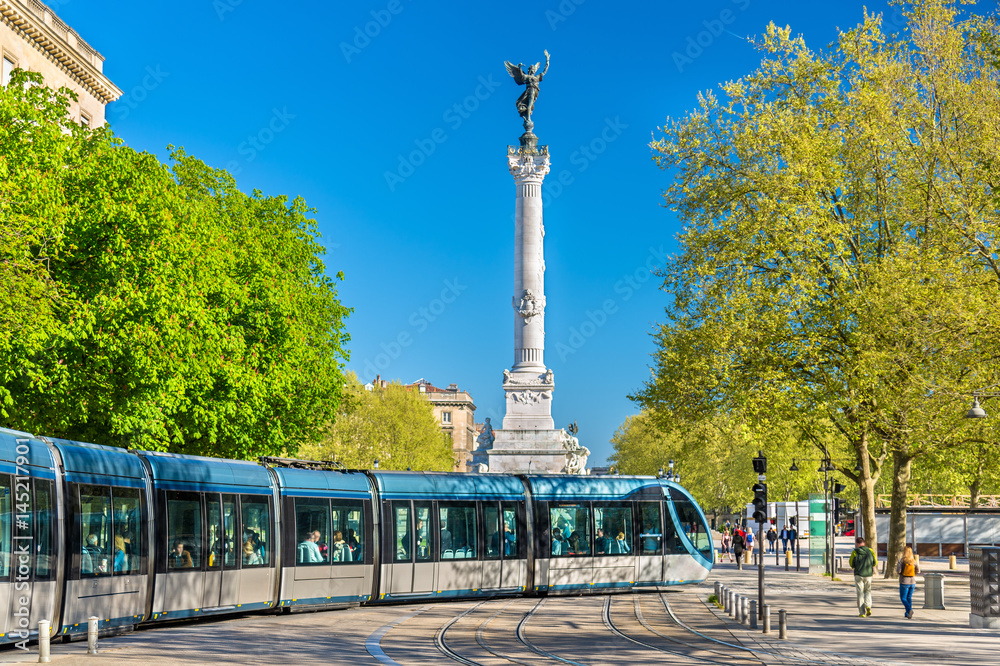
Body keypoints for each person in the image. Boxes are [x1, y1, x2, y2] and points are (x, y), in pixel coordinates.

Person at [849, 536, 877, 617]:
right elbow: (874, 562)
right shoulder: (870, 551)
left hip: (858, 575)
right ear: (864, 543)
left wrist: (855, 566)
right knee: (867, 591)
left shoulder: (855, 552)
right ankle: (868, 605)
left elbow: (851, 563)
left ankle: (862, 612)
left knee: (860, 593)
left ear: (857, 544)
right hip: (868, 575)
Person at [896, 546, 920, 619]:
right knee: (909, 597)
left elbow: (898, 571)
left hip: (904, 581)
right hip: (912, 582)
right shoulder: (914, 561)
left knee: (903, 598)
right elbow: (918, 571)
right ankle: (907, 613)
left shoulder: (901, 561)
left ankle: (909, 610)